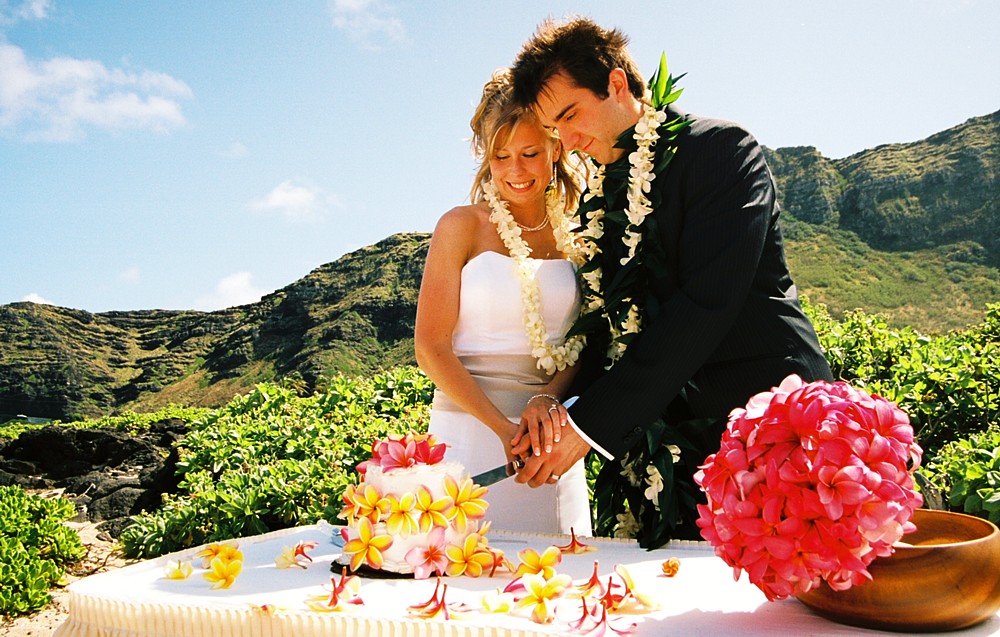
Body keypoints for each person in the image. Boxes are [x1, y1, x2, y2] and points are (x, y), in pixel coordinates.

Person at [508, 17, 834, 543]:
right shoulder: (601, 196)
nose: (566, 142)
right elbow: (612, 322)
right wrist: (558, 404)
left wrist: (590, 425)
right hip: (666, 454)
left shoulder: (722, 150)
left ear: (616, 84)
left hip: (772, 428)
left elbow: (707, 303)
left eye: (570, 116)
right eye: (554, 131)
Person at [414, 68, 592, 535]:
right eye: (501, 157)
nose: (516, 171)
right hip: (469, 434)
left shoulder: (582, 234)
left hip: (552, 440)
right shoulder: (460, 226)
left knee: (562, 584)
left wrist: (547, 402)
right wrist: (501, 429)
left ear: (556, 147)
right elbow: (430, 347)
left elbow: (588, 339)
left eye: (531, 153)